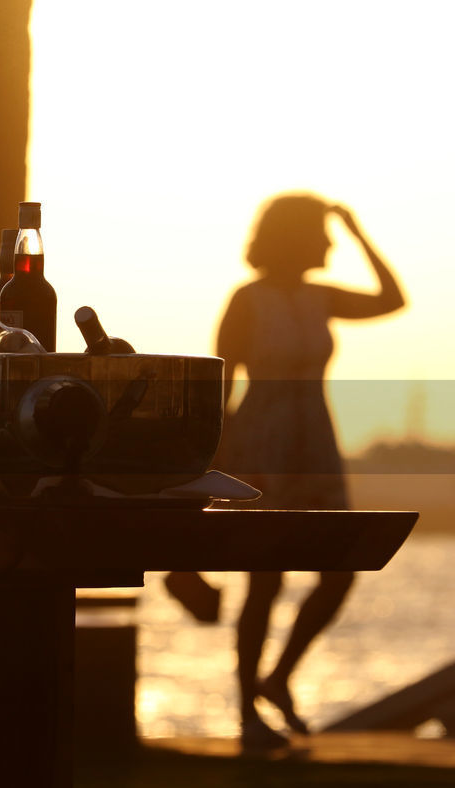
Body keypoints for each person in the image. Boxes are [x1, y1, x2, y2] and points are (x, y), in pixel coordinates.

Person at [167, 193, 405, 750]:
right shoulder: (248, 300)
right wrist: (212, 457)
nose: (328, 244)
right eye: (323, 234)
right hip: (264, 441)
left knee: (340, 569)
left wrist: (357, 231)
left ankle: (279, 678)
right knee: (265, 578)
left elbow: (392, 300)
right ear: (294, 237)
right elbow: (222, 387)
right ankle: (247, 711)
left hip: (315, 441)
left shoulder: (321, 297)